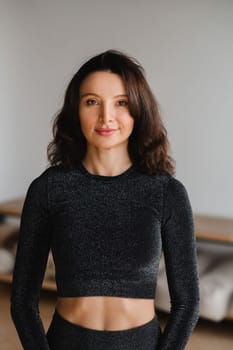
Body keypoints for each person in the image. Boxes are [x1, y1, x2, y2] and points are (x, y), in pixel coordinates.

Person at [10, 49, 200, 350]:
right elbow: (22, 301)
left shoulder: (167, 193)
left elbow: (187, 304)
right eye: (92, 102)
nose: (106, 117)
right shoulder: (48, 189)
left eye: (121, 102)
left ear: (138, 109)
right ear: (76, 110)